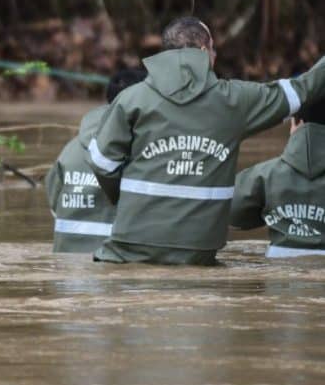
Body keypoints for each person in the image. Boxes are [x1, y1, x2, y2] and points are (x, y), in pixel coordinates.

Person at [87, 17, 325, 265]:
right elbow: (303, 89)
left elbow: (101, 162)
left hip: (128, 247)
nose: (216, 55)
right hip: (196, 254)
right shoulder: (234, 101)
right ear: (203, 52)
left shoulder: (131, 99)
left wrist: (126, 200)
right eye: (214, 49)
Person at [46, 68, 147, 253]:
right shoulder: (141, 151)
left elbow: (54, 206)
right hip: (113, 264)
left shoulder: (70, 149)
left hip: (66, 269)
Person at [229, 97, 325, 258]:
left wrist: (271, 215)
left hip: (278, 270)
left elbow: (232, 215)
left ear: (296, 124)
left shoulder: (264, 175)